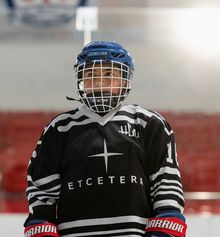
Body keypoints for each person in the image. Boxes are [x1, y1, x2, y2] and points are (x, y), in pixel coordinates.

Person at [23, 41, 187, 237]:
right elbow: (42, 192)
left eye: (109, 74)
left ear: (125, 80)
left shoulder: (149, 123)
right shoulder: (60, 128)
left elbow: (166, 183)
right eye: (91, 75)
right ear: (80, 79)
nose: (100, 82)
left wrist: (164, 230)